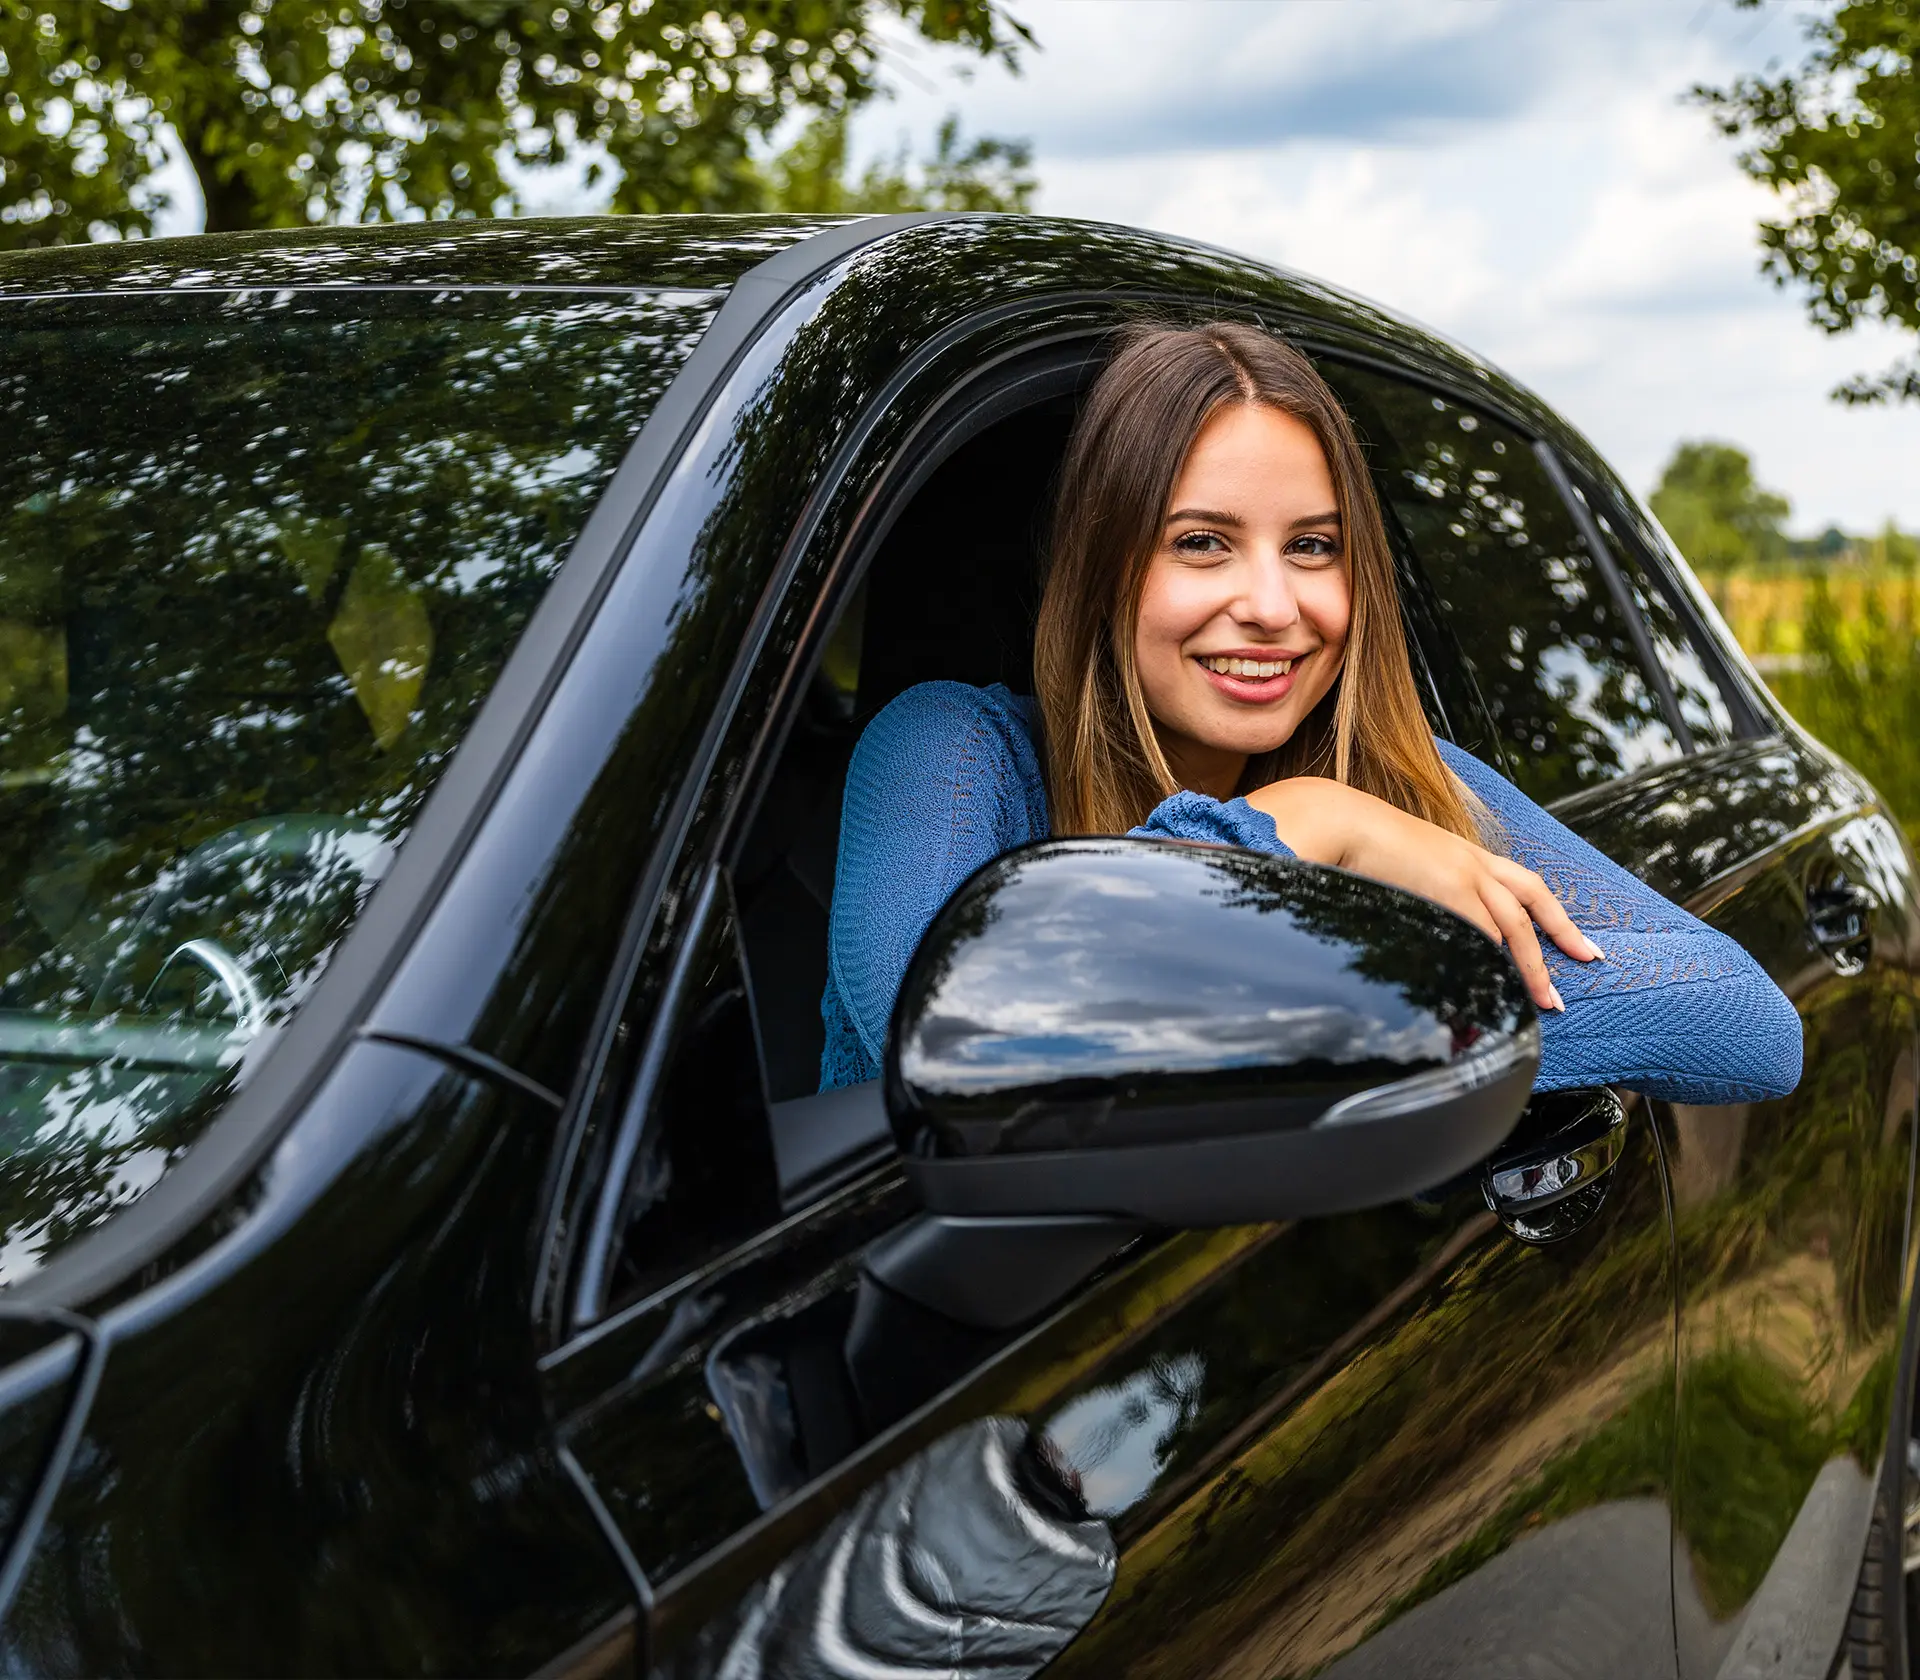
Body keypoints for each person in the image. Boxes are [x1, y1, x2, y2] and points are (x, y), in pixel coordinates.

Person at [818, 321, 1802, 1105]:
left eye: (1313, 547)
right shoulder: (953, 755)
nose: (1275, 606)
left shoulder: (1404, 785)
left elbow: (1743, 1021)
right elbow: (951, 1039)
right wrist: (1297, 827)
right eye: (1202, 542)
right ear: (1102, 572)